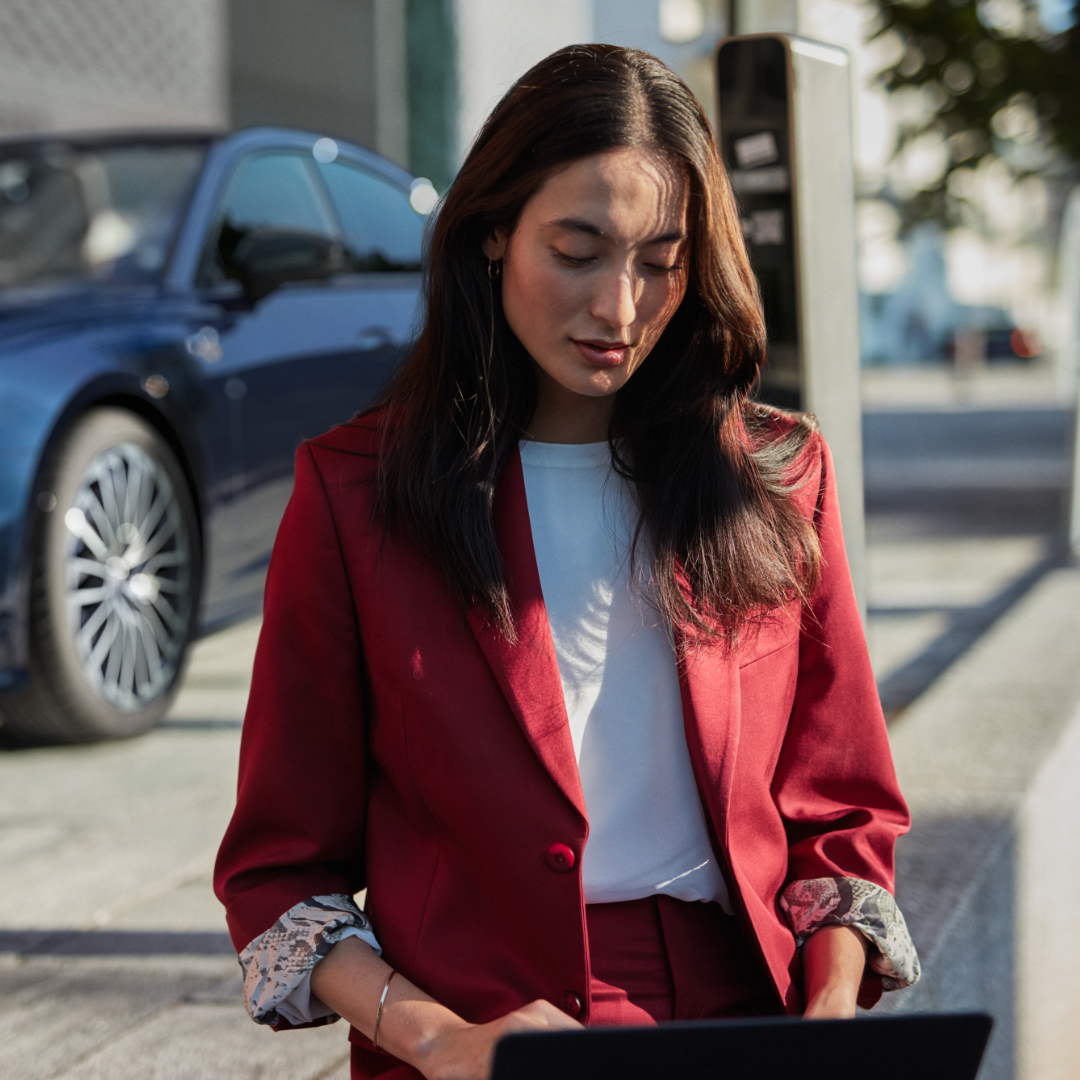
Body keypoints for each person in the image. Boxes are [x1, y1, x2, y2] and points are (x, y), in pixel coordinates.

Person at [215, 43, 920, 1080]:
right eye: (579, 249)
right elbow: (279, 872)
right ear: (494, 231)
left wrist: (827, 1014)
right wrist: (438, 1038)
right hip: (477, 1037)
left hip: (748, 1012)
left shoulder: (777, 476)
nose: (620, 308)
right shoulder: (354, 494)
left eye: (660, 259)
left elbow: (844, 815)